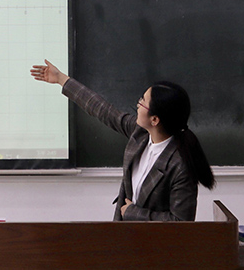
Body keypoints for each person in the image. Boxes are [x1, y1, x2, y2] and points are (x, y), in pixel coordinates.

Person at [30, 60, 215, 221]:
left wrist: (134, 213)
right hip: (125, 236)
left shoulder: (180, 165)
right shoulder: (141, 134)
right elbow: (103, 110)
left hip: (155, 247)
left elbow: (181, 223)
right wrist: (61, 79)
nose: (138, 104)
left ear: (155, 120)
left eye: (143, 101)